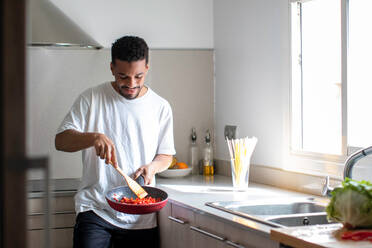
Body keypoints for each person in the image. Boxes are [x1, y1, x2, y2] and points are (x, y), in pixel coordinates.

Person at [55, 36, 175, 248]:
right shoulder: (92, 98)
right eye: (123, 77)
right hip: (96, 208)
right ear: (111, 68)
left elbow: (166, 155)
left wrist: (152, 167)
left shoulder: (160, 106)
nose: (131, 84)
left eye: (138, 76)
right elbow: (61, 140)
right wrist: (93, 137)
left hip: (141, 217)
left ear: (147, 68)